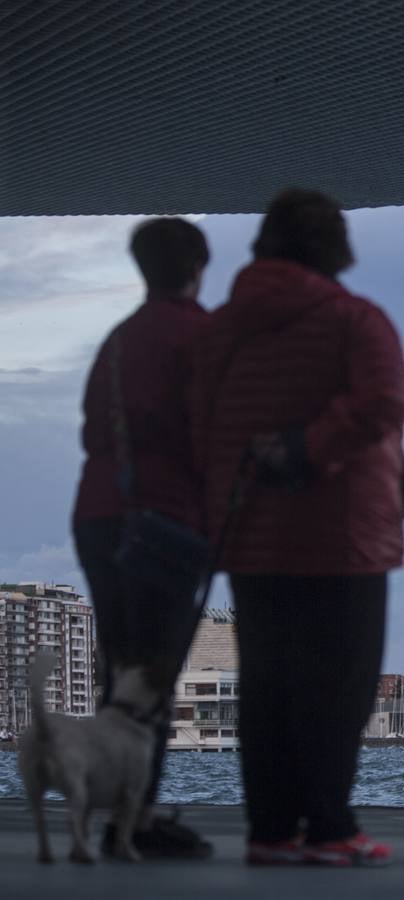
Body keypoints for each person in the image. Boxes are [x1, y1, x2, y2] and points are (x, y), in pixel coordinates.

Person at [191, 188, 404, 867]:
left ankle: (271, 829)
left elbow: (196, 423)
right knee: (338, 687)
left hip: (250, 530)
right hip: (344, 533)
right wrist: (307, 449)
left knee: (268, 685)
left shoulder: (219, 331)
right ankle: (330, 828)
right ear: (335, 246)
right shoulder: (356, 321)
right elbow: (383, 404)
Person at [71, 217, 214, 858]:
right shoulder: (201, 335)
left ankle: (114, 812)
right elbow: (212, 432)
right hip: (164, 516)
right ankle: (136, 818)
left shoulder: (120, 339)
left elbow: (91, 428)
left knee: (120, 670)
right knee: (154, 672)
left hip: (99, 512)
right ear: (196, 266)